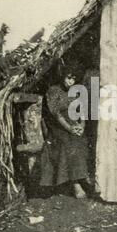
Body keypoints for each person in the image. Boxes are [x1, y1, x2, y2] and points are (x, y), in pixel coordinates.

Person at [40, 64, 90, 198]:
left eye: (74, 79)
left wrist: (82, 125)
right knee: (68, 143)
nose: (70, 82)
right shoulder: (53, 90)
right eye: (68, 78)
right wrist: (70, 128)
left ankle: (82, 176)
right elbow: (57, 115)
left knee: (82, 141)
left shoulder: (76, 91)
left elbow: (82, 111)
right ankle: (76, 184)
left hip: (73, 123)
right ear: (63, 76)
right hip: (58, 126)